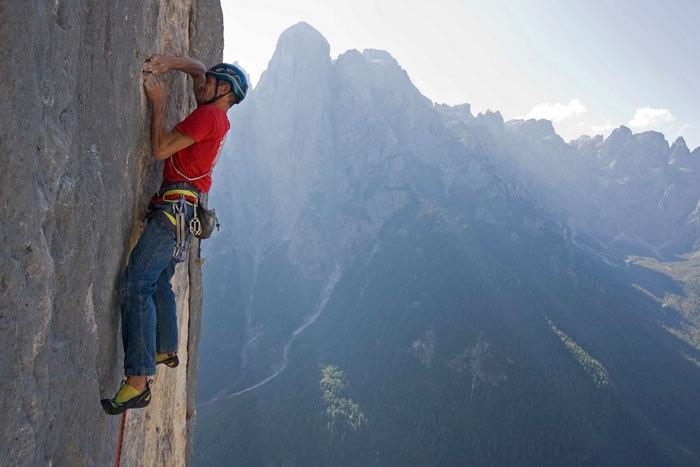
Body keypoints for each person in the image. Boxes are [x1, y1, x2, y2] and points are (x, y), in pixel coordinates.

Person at [101, 55, 248, 415]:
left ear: (223, 90)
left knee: (137, 283)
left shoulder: (209, 116)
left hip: (171, 213)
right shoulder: (220, 116)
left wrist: (160, 104)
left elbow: (162, 148)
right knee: (160, 282)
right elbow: (199, 69)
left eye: (209, 83)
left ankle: (138, 381)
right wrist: (174, 63)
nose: (201, 86)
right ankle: (165, 347)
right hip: (185, 213)